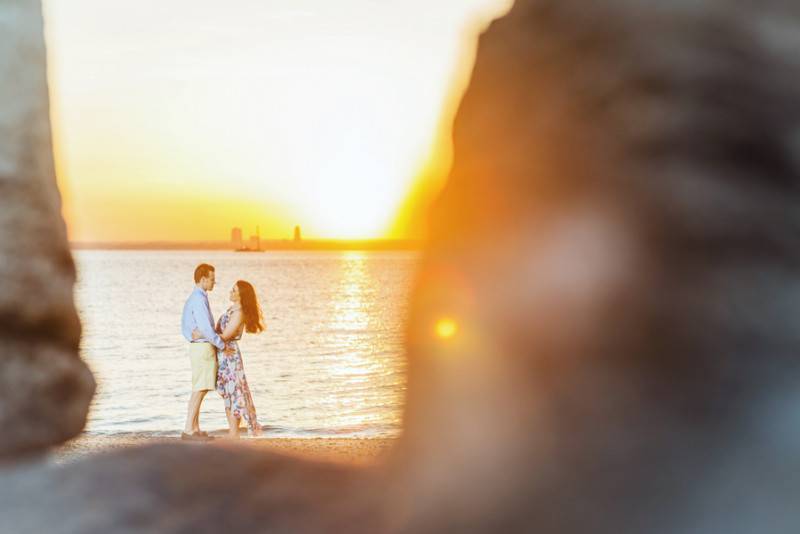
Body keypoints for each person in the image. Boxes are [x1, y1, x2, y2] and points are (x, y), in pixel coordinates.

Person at [195, 280, 265, 438]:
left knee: (234, 394)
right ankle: (233, 433)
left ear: (241, 295)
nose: (230, 292)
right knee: (228, 394)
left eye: (234, 290)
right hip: (224, 355)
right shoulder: (233, 310)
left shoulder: (239, 313)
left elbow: (226, 335)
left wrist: (201, 334)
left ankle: (234, 434)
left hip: (230, 356)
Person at [180, 263, 231, 441]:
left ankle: (194, 428)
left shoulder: (195, 297)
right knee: (200, 389)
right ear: (203, 279)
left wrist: (196, 333)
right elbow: (206, 329)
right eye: (212, 279)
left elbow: (186, 327)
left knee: (200, 388)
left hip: (198, 346)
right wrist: (222, 345)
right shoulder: (198, 299)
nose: (214, 283)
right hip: (202, 348)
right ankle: (188, 429)